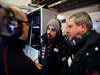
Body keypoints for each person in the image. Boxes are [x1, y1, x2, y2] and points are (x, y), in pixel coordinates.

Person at [0, 4, 38, 75]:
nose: (28, 27)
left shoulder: (5, 49)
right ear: (17, 26)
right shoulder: (26, 66)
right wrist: (31, 66)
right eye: (27, 23)